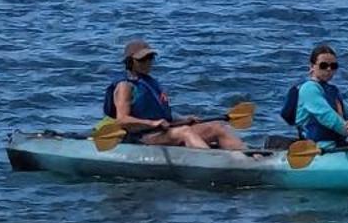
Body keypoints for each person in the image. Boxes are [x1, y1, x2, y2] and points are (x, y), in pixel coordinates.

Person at [104, 39, 247, 153]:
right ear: (130, 62)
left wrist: (184, 119)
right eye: (142, 59)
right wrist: (152, 124)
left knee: (218, 126)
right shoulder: (125, 86)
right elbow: (122, 120)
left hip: (163, 132)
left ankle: (250, 158)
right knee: (184, 132)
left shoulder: (150, 82)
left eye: (150, 57)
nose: (148, 62)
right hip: (143, 137)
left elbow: (162, 115)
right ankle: (213, 162)